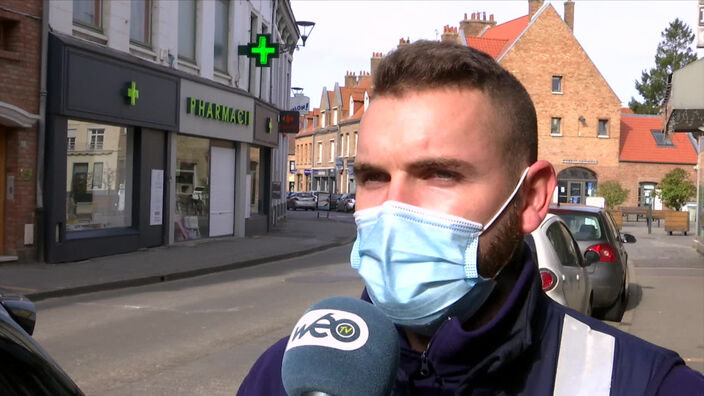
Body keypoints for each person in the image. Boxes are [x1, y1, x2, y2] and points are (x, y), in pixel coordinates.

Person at [238, 40, 704, 395]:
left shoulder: (635, 382)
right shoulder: (285, 376)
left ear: (531, 198)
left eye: (439, 174)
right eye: (374, 178)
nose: (393, 210)